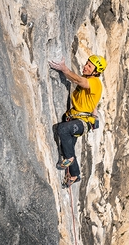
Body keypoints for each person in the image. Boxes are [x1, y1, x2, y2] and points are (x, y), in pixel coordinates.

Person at [49, 55, 106, 187]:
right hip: (75, 118)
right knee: (67, 147)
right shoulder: (87, 80)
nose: (85, 66)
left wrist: (64, 69)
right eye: (87, 63)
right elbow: (89, 98)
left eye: (89, 66)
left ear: (96, 71)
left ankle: (69, 160)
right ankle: (75, 175)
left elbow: (80, 82)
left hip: (83, 122)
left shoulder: (95, 82)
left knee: (62, 130)